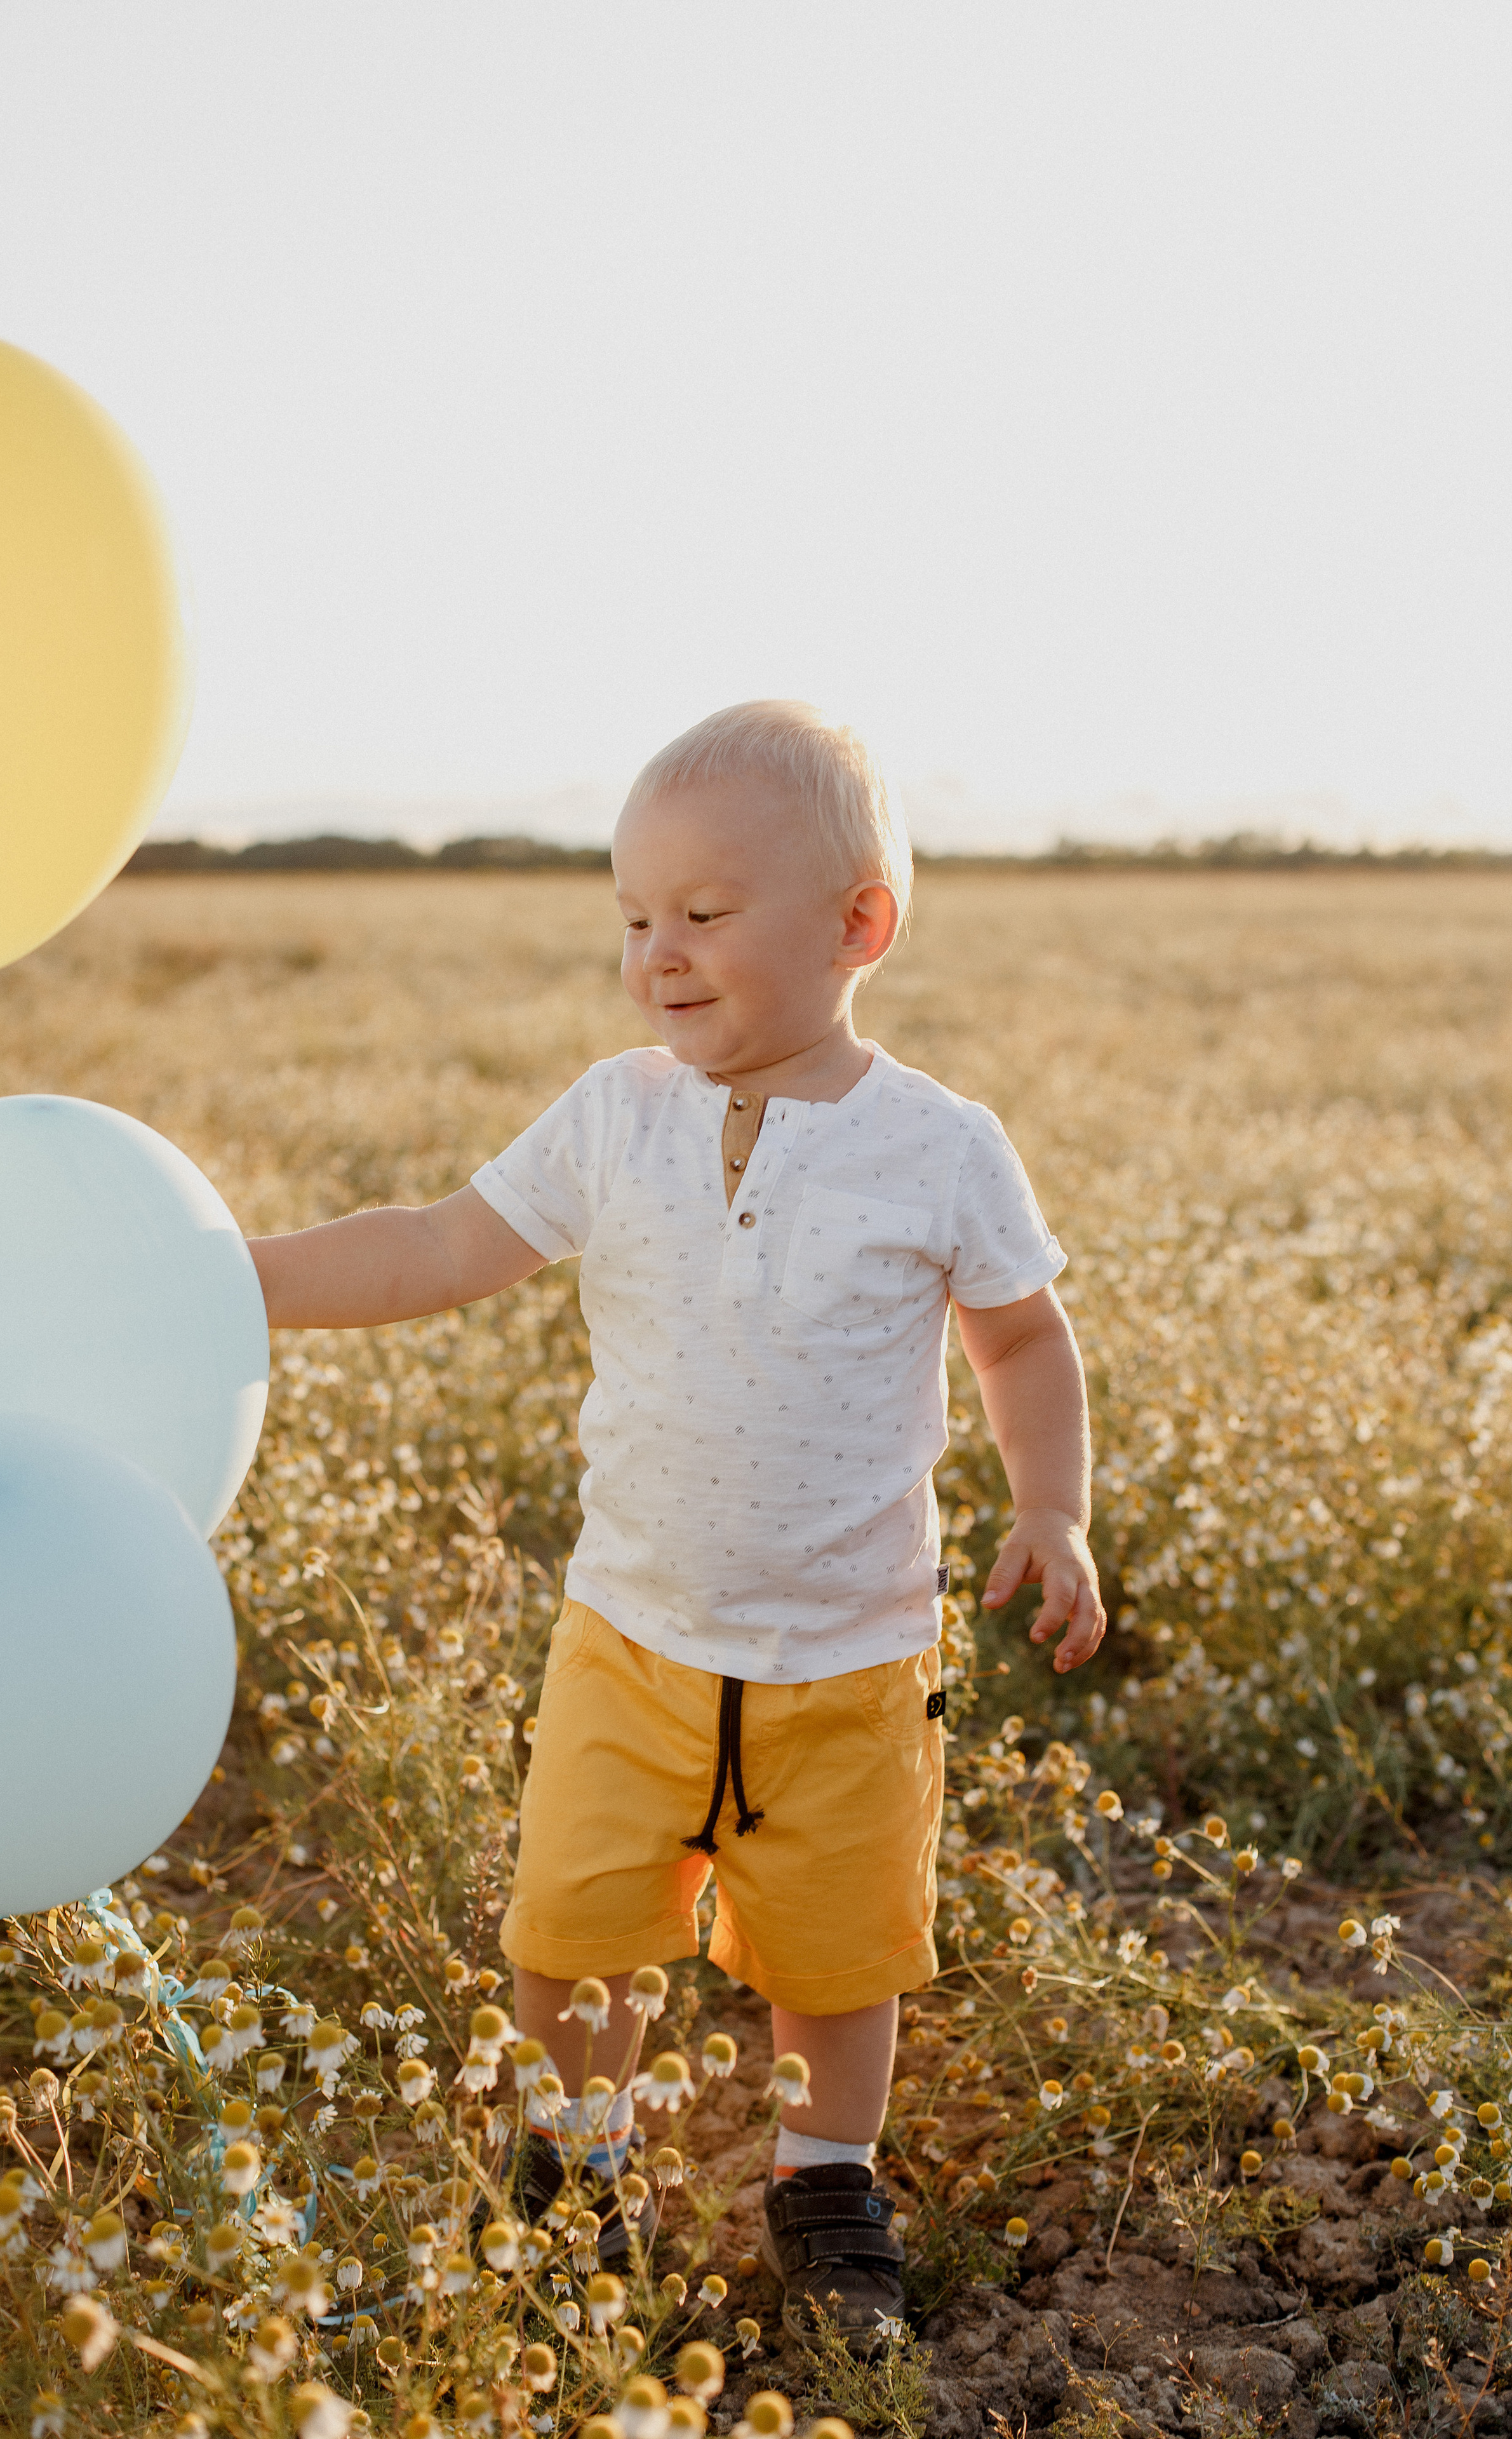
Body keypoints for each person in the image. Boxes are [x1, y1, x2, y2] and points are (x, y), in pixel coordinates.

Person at [248, 700, 1106, 2346]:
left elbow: (1022, 1338)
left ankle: (822, 2177)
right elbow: (434, 1246)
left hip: (853, 1663)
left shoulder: (939, 1149)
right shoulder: (613, 1115)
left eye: (705, 915)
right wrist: (244, 1279)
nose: (660, 954)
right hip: (629, 1641)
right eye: (635, 919)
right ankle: (576, 2160)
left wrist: (1052, 1504)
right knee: (569, 1938)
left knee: (841, 1963)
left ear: (860, 926)